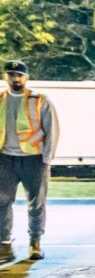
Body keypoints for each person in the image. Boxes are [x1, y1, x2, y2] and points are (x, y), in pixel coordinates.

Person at [0, 60, 60, 261]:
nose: (15, 78)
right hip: (4, 160)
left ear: (26, 78)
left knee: (36, 203)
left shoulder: (40, 100)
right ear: (5, 77)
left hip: (34, 159)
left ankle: (35, 243)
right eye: (11, 74)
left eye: (19, 75)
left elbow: (52, 129)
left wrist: (47, 159)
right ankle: (4, 245)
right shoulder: (0, 99)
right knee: (2, 202)